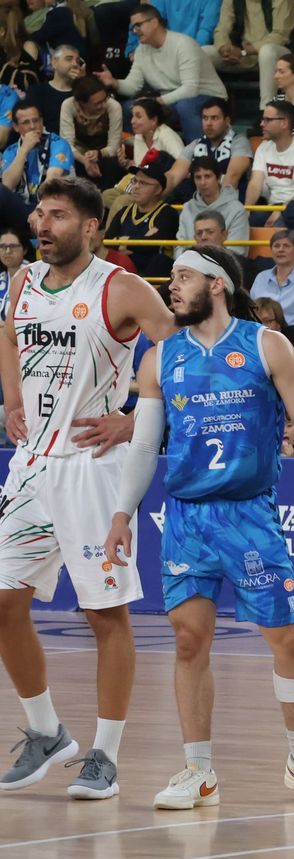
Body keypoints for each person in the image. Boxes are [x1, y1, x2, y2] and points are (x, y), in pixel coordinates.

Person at [104, 243, 294, 810]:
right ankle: (198, 770)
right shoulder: (159, 357)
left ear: (216, 284)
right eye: (171, 278)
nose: (172, 287)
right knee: (189, 639)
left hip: (249, 515)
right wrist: (123, 514)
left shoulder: (267, 344)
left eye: (183, 277)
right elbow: (146, 443)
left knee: (286, 638)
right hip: (187, 518)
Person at [0, 176, 174, 800]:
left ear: (92, 226)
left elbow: (183, 357)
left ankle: (105, 753)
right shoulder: (22, 283)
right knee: (3, 601)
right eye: (39, 214)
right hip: (30, 467)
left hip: (93, 470)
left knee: (105, 616)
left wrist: (134, 418)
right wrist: (13, 399)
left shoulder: (121, 288)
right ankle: (47, 732)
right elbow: (9, 334)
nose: (42, 226)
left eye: (58, 216)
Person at [96, 4, 227, 142]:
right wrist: (115, 83)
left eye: (138, 25)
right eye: (133, 27)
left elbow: (190, 90)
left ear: (154, 23)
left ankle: (199, 153)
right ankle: (138, 152)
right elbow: (133, 86)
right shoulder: (141, 50)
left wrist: (156, 101)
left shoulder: (183, 44)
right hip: (171, 100)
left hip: (207, 95)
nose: (135, 31)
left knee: (185, 106)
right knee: (129, 107)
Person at [104, 154, 179, 277]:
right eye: (135, 181)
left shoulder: (167, 213)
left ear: (158, 189)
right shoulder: (124, 212)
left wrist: (124, 241)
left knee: (159, 261)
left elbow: (155, 245)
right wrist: (140, 241)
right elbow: (108, 241)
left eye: (143, 183)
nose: (136, 187)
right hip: (124, 271)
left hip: (152, 275)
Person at [0, 101, 72, 226]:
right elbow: (7, 185)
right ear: (16, 127)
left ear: (42, 121)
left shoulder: (58, 143)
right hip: (21, 208)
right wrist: (24, 150)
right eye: (26, 122)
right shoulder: (11, 151)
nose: (33, 126)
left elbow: (53, 179)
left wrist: (40, 209)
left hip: (51, 206)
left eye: (36, 120)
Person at [243, 100, 294, 224]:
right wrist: (247, 209)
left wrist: (282, 210)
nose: (261, 124)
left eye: (268, 120)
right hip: (271, 207)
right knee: (244, 223)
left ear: (284, 123)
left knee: (279, 226)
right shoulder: (263, 148)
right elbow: (255, 183)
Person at [249, 229, 294, 344]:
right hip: (261, 340)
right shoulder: (261, 278)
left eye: (286, 246)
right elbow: (250, 316)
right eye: (276, 246)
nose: (280, 250)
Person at [60, 76, 122, 189]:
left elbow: (114, 145)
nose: (103, 105)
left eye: (105, 99)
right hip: (79, 151)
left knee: (111, 165)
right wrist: (84, 160)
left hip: (104, 151)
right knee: (66, 161)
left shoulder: (113, 106)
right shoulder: (69, 105)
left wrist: (99, 154)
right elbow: (66, 144)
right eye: (97, 103)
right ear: (82, 103)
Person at [121, 97, 187, 194]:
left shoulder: (167, 136)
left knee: (121, 201)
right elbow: (141, 168)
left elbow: (184, 169)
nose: (132, 121)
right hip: (143, 187)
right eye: (132, 116)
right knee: (107, 195)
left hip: (165, 190)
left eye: (138, 117)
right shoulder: (139, 136)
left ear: (153, 120)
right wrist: (127, 164)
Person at [182, 96, 251, 189]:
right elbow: (174, 175)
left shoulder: (239, 142)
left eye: (214, 118)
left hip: (230, 201)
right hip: (197, 202)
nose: (208, 123)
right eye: (205, 118)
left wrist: (216, 203)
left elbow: (232, 177)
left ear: (227, 121)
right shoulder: (195, 144)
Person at [180, 160, 249, 243]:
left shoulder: (237, 210)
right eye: (198, 177)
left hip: (223, 256)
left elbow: (236, 250)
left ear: (219, 178)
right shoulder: (187, 207)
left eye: (207, 176)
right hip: (191, 256)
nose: (202, 182)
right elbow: (180, 246)